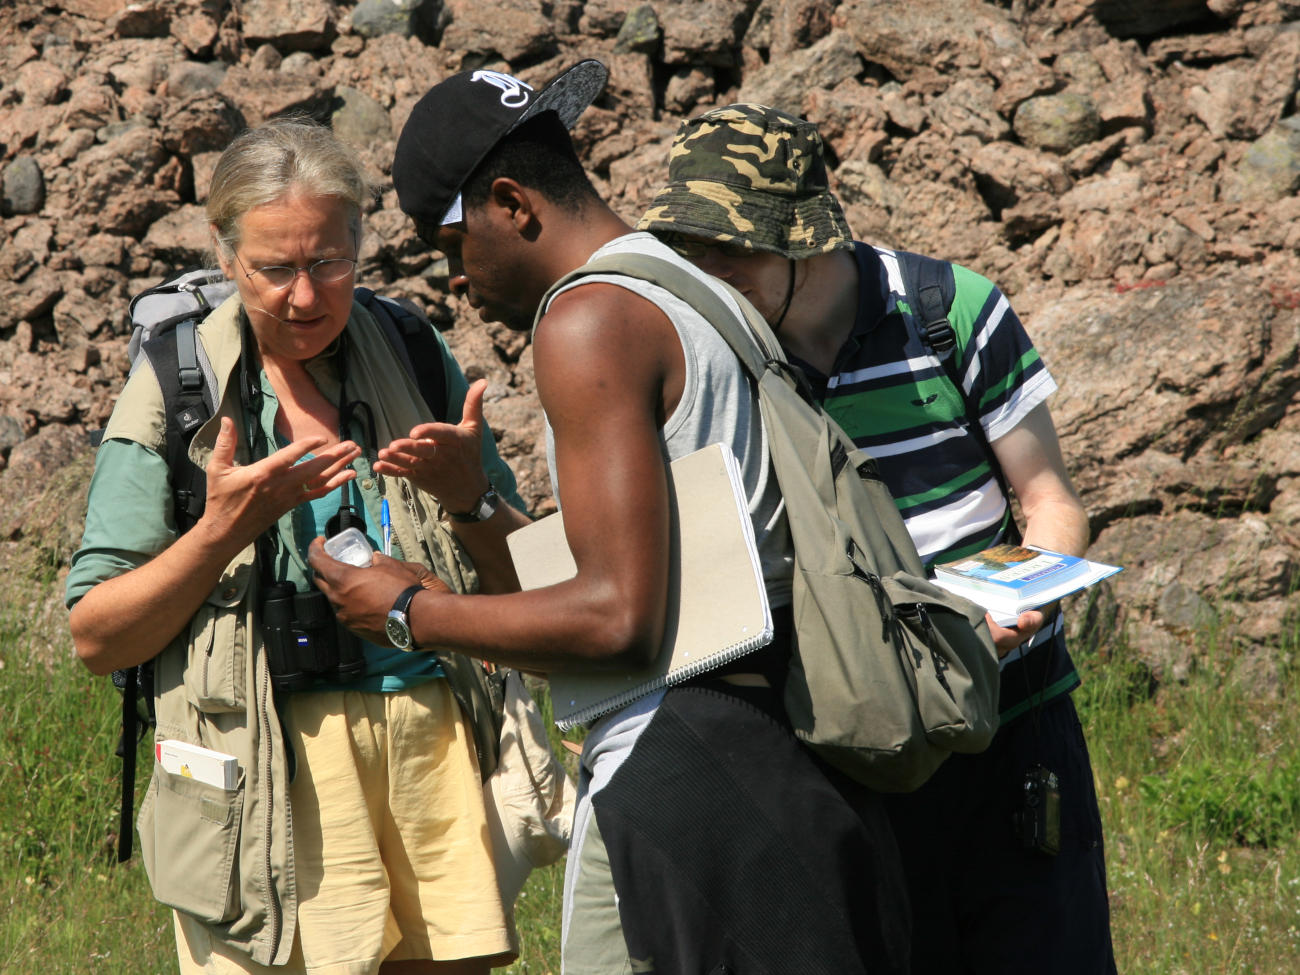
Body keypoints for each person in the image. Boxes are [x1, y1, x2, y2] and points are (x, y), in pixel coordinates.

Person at [306, 61, 910, 974]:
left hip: (686, 760)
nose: (456, 281)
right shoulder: (683, 285)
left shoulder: (586, 318)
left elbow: (618, 620)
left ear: (511, 202)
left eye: (449, 245)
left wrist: (407, 611)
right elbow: (682, 564)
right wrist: (475, 503)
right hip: (780, 739)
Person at [637, 102, 1117, 975]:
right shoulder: (715, 358)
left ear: (807, 241)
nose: (709, 272)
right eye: (690, 249)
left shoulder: (951, 310)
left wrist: (1019, 611)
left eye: (732, 249)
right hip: (851, 751)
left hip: (1009, 728)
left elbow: (1051, 503)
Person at [66, 117, 533, 975]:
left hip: (433, 752)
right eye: (274, 270)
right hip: (265, 772)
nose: (306, 298)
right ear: (226, 252)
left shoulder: (414, 356)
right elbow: (98, 635)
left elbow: (536, 585)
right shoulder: (175, 391)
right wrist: (219, 534)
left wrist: (471, 499)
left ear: (361, 242)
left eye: (328, 263)